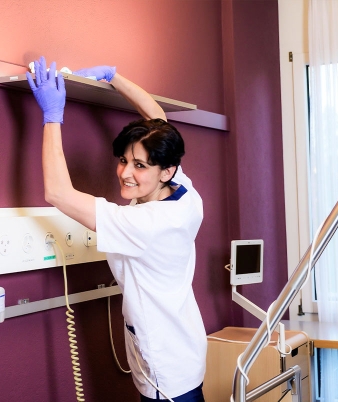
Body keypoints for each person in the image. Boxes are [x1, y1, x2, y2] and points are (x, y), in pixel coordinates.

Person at [27, 56, 206, 402]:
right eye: (124, 160)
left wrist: (52, 117)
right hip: (183, 351)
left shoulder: (147, 223)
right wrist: (114, 77)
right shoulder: (183, 193)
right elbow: (158, 119)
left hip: (165, 371)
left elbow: (57, 193)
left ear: (165, 170)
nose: (125, 173)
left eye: (139, 165)